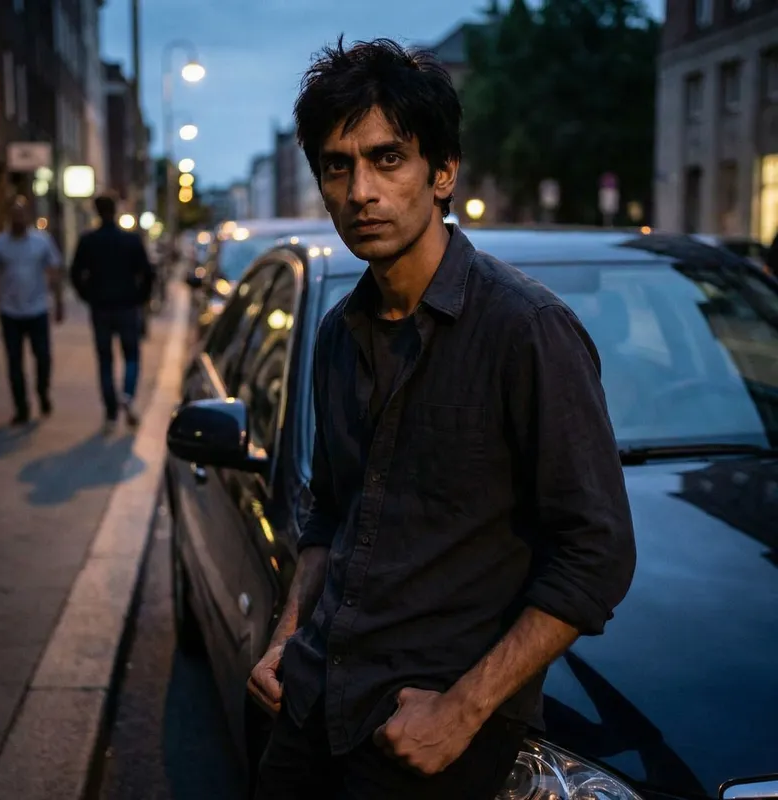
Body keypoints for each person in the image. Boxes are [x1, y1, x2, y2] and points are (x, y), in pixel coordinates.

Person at [247, 37, 637, 800]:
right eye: (337, 164)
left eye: (387, 158)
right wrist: (285, 639)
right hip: (311, 708)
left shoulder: (526, 330)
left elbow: (595, 554)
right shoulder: (335, 336)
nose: (361, 190)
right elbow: (328, 511)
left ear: (443, 172)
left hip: (428, 744)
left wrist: (462, 711)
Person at [70, 194, 154, 434]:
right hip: (127, 306)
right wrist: (140, 298)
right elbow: (147, 273)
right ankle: (127, 394)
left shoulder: (89, 241)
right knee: (132, 356)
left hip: (101, 308)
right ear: (115, 211)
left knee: (105, 360)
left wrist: (88, 296)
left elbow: (76, 273)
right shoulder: (130, 240)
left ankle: (110, 411)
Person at [0, 197, 63, 425]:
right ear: (9, 218)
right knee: (14, 362)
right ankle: (22, 407)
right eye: (14, 215)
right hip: (10, 312)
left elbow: (54, 270)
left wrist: (58, 303)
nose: (18, 220)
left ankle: (42, 392)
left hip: (37, 309)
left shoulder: (41, 241)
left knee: (43, 358)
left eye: (21, 215)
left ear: (27, 216)